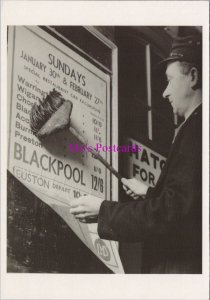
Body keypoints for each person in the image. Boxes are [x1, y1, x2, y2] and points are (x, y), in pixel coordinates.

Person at [70, 35, 202, 274]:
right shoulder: (193, 126)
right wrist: (150, 192)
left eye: (170, 81)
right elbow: (190, 204)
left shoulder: (198, 128)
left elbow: (173, 213)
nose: (164, 93)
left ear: (193, 76)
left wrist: (104, 211)